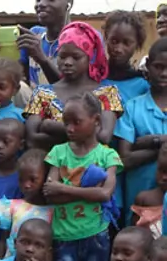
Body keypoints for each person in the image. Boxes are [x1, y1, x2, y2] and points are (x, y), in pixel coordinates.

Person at [43, 93, 122, 261]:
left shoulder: (107, 155)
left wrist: (63, 188)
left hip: (95, 233)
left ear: (96, 120)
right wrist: (89, 192)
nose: (69, 128)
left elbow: (105, 194)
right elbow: (50, 193)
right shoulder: (58, 152)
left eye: (77, 122)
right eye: (66, 122)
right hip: (63, 236)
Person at [24, 22, 122, 150]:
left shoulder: (107, 93)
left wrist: (50, 126)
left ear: (89, 58)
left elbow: (104, 138)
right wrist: (85, 133)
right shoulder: (42, 93)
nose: (68, 62)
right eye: (62, 56)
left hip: (91, 168)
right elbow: (32, 140)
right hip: (51, 168)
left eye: (76, 57)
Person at [114, 38, 167, 219]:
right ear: (148, 67)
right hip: (138, 204)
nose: (164, 73)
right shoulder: (133, 108)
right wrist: (161, 149)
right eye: (159, 67)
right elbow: (125, 159)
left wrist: (155, 141)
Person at [0, 148, 52, 258]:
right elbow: (3, 241)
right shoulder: (11, 207)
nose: (26, 185)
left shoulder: (54, 211)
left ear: (46, 177)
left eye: (33, 180)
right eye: (21, 180)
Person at [18, 0, 72, 86]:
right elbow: (17, 77)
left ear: (69, 3)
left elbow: (76, 91)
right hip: (35, 98)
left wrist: (43, 60)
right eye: (38, 0)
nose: (41, 4)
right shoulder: (35, 34)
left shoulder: (84, 39)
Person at [101, 11, 148, 104]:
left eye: (126, 43)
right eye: (114, 41)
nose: (118, 49)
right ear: (106, 38)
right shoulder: (94, 77)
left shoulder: (143, 85)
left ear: (137, 45)